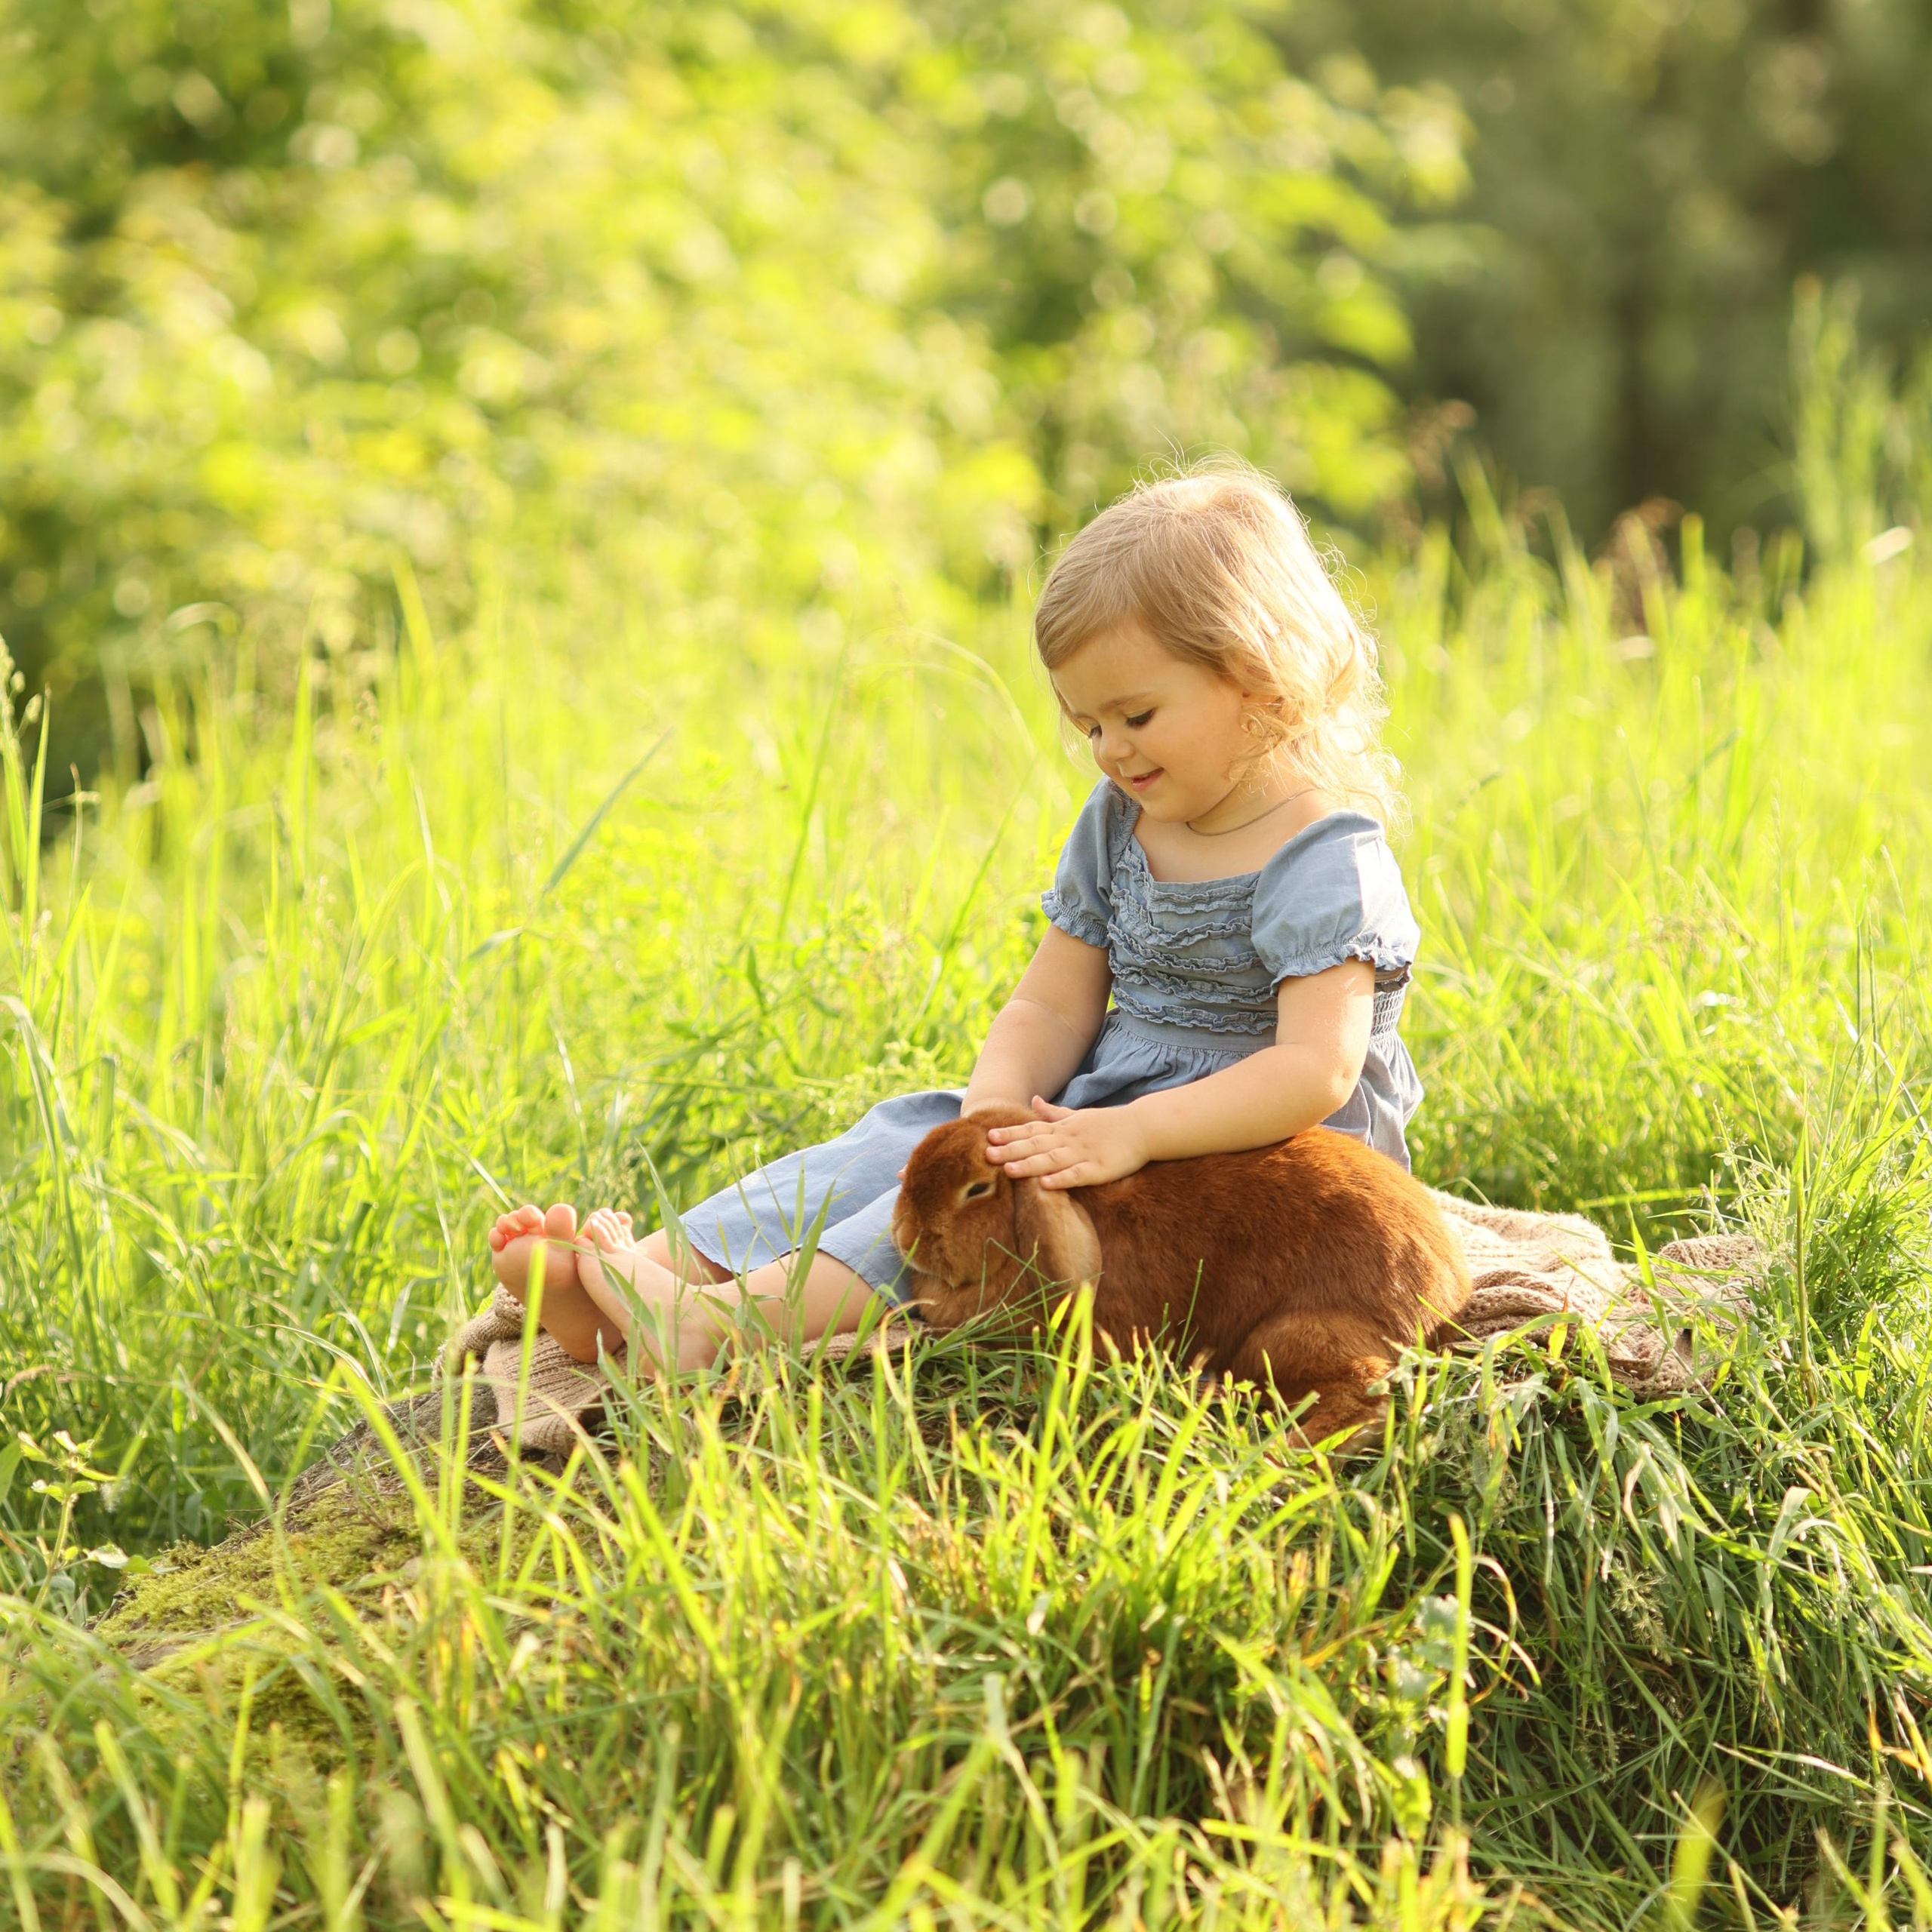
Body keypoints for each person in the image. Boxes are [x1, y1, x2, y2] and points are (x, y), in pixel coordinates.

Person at [486, 459, 1423, 1372]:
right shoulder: (1121, 822)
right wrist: (988, 1117)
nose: (1109, 750)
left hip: (1250, 1166)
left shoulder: (1320, 855)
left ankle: (718, 1326)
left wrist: (1129, 1136)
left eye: (1135, 714)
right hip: (1098, 1118)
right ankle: (646, 1274)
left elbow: (1314, 1068)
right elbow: (1051, 1010)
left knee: (997, 1214)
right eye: (1088, 725)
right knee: (905, 1140)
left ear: (1262, 682)